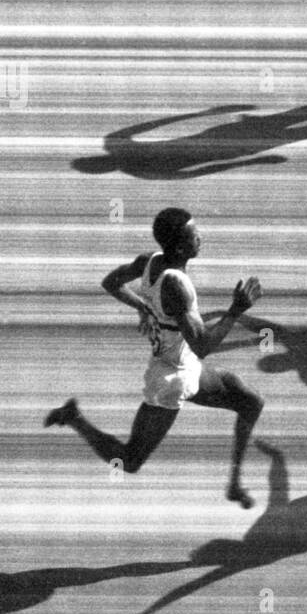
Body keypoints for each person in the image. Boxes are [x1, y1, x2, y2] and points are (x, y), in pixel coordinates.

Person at [43, 207, 265, 509]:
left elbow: (111, 283)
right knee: (130, 460)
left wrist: (143, 307)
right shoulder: (175, 285)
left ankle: (235, 485)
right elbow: (202, 345)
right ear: (179, 247)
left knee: (251, 402)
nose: (200, 236)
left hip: (184, 364)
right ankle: (74, 418)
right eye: (193, 234)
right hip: (171, 378)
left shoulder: (149, 262)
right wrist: (236, 310)